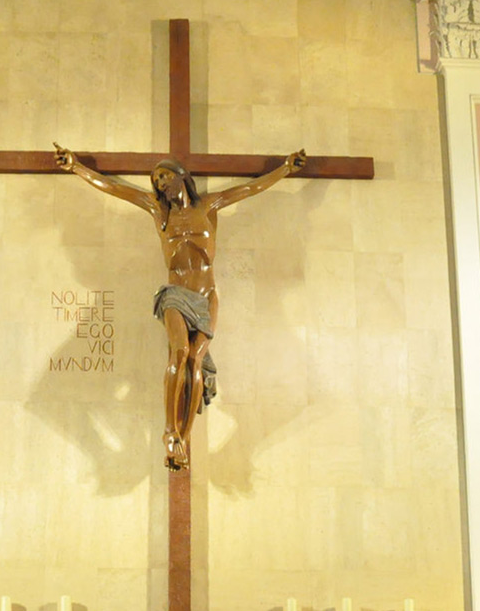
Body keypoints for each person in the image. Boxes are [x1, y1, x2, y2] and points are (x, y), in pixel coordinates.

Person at [52, 145, 306, 469]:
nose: (159, 184)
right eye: (156, 179)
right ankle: (169, 431)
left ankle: (183, 439)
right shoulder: (160, 212)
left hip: (206, 297)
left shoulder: (210, 206)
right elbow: (117, 188)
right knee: (179, 353)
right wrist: (77, 168)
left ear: (181, 176)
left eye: (164, 176)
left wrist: (285, 168)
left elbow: (249, 188)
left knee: (196, 362)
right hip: (174, 293)